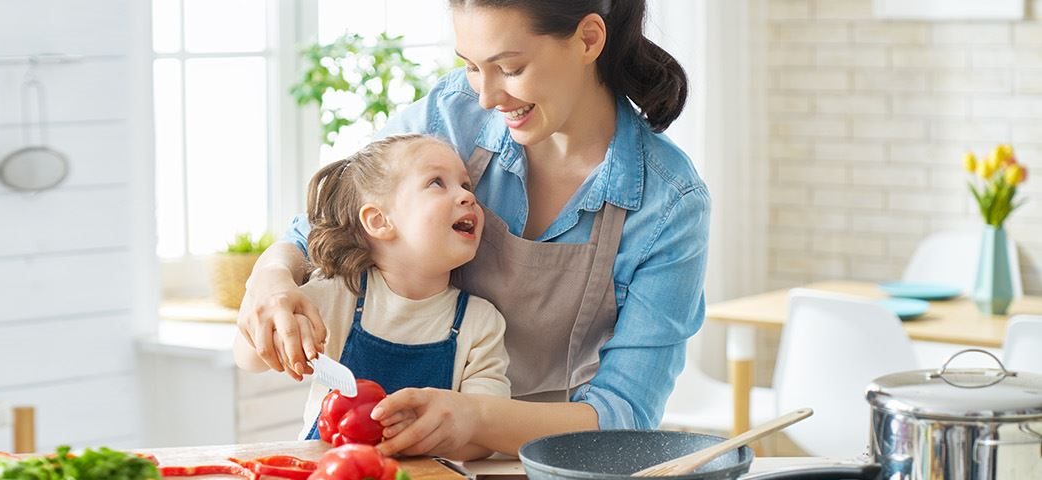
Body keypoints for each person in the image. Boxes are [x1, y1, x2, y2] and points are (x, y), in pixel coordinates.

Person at [237, 0, 708, 458]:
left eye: (510, 68)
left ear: (588, 39)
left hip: (545, 459)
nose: (487, 97)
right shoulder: (453, 113)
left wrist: (475, 417)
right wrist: (271, 277)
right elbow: (319, 225)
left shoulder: (669, 204)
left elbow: (624, 413)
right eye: (471, 66)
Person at [233, 134, 510, 461]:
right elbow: (247, 358)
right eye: (437, 182)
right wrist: (277, 336)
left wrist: (427, 434)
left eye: (467, 186)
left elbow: (484, 435)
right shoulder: (338, 294)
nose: (467, 196)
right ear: (379, 221)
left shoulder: (481, 322)